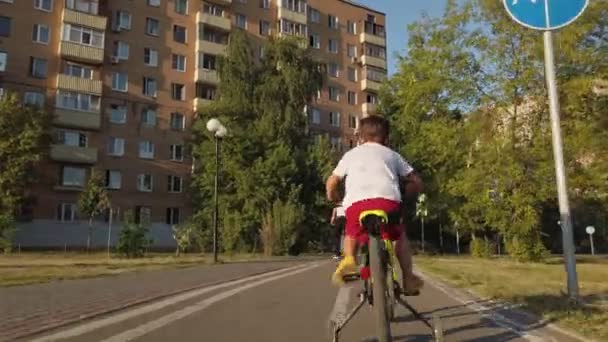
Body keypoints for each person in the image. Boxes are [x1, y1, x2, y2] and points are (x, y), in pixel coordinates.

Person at [325, 115, 424, 295]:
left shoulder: (350, 154)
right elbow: (415, 180)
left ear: (360, 137)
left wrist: (333, 197)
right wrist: (409, 195)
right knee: (399, 236)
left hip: (356, 205)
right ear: (386, 138)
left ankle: (348, 260)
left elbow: (332, 181)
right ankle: (408, 278)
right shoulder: (392, 154)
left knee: (351, 232)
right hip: (388, 202)